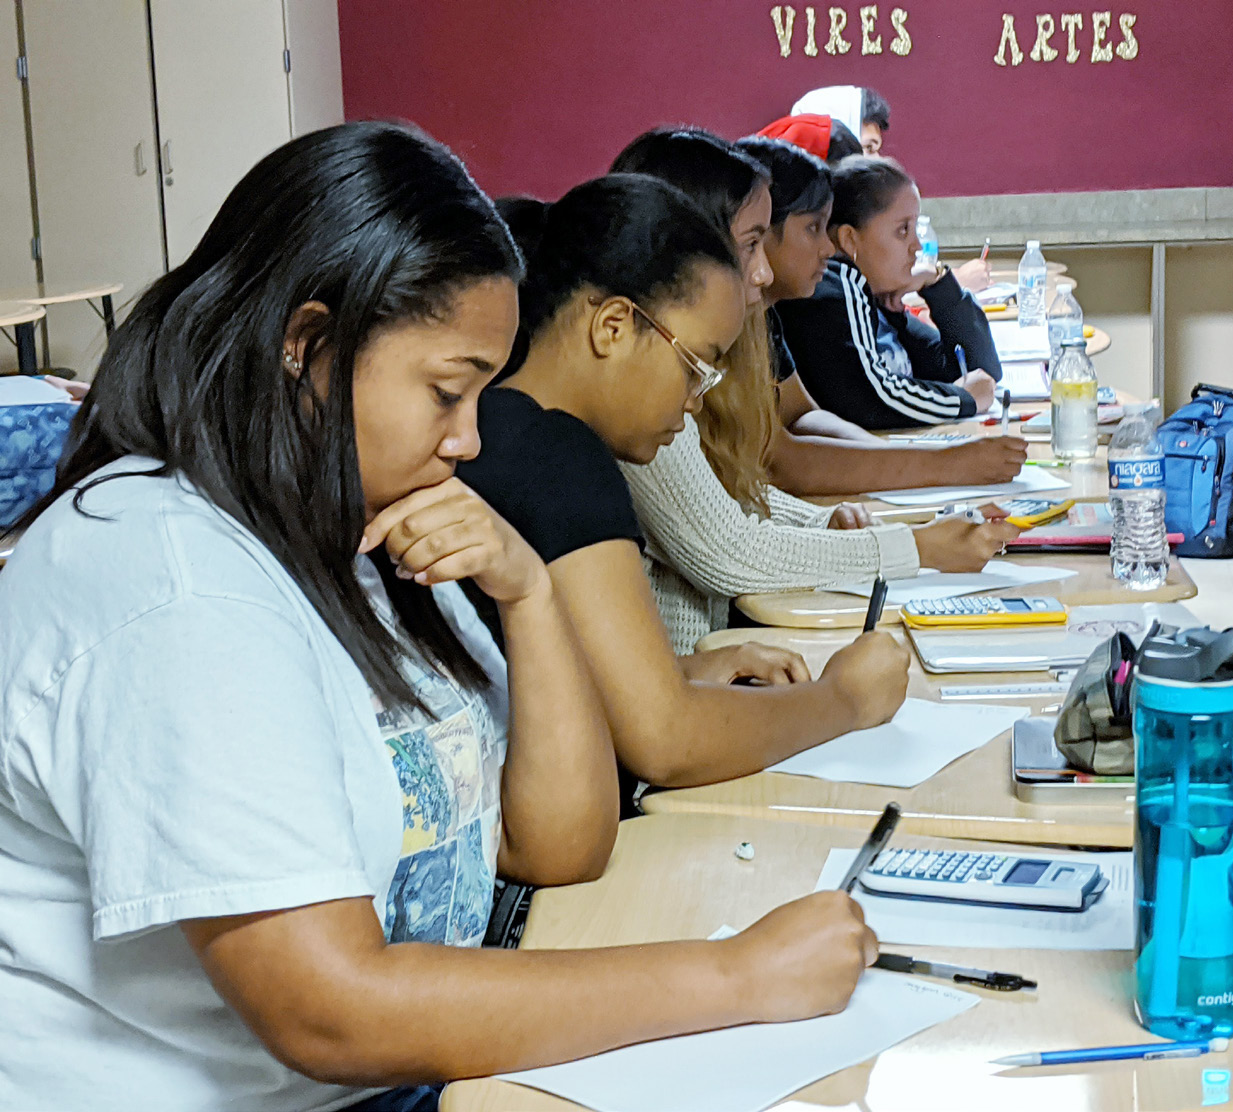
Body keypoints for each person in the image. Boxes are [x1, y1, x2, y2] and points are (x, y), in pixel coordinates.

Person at [0, 123, 878, 1112]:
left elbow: (558, 843)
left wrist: (530, 596)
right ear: (307, 345)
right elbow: (330, 1009)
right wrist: (735, 979)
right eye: (447, 391)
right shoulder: (175, 580)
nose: (468, 438)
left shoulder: (356, 514)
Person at [456, 172, 910, 794]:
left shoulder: (507, 426)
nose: (696, 402)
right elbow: (666, 740)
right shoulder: (559, 458)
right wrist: (844, 700)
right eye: (697, 365)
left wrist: (682, 669)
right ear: (613, 327)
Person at [612, 132, 1021, 650]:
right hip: (700, 665)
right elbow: (731, 549)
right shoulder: (642, 383)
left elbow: (739, 495)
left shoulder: (742, 332)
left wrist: (825, 520)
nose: (761, 271)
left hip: (716, 655)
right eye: (752, 243)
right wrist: (914, 542)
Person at [734, 134, 1028, 497]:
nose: (827, 248)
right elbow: (787, 459)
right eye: (813, 229)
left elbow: (802, 416)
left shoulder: (767, 314)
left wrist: (889, 461)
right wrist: (948, 461)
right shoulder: (825, 292)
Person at [777, 156, 1004, 430]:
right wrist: (962, 400)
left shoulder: (878, 295)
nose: (917, 246)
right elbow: (873, 398)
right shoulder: (835, 287)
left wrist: (938, 282)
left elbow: (978, 371)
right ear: (850, 239)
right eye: (903, 230)